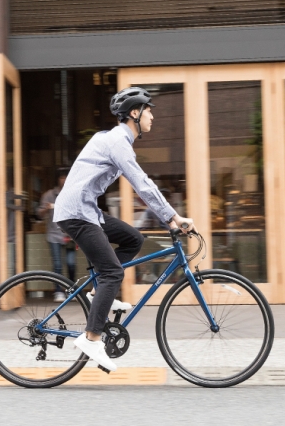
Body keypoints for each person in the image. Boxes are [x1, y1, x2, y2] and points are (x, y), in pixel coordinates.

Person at [54, 87, 195, 372]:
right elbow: (141, 183)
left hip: (87, 210)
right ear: (135, 112)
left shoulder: (112, 139)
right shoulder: (118, 141)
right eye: (149, 109)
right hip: (77, 213)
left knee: (133, 238)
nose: (152, 116)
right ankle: (92, 339)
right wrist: (171, 217)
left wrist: (166, 216)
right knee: (113, 272)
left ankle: (97, 295)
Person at [38, 168, 77, 302]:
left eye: (66, 177)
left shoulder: (72, 194)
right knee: (58, 265)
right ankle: (58, 291)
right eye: (62, 177)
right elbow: (39, 213)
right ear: (58, 179)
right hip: (54, 234)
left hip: (70, 235)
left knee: (71, 264)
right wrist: (46, 208)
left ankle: (72, 291)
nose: (64, 180)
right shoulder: (49, 195)